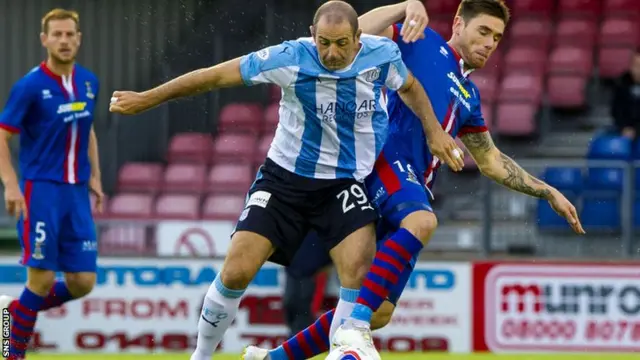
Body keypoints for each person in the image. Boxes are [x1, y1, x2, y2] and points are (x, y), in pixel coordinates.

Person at [109, 2, 462, 359]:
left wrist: (434, 132)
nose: (331, 52)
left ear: (359, 38)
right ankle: (201, 355)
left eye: (341, 43)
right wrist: (147, 98)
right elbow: (214, 75)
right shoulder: (290, 57)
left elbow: (411, 86)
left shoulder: (382, 54)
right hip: (284, 182)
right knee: (236, 272)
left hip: (342, 185)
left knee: (358, 271)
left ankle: (346, 346)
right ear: (312, 35)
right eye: (323, 42)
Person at [243, 1, 586, 359]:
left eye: (497, 37)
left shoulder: (470, 96)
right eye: (483, 31)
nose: (490, 43)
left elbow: (492, 162)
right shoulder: (421, 42)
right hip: (385, 161)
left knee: (380, 311)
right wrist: (405, 5)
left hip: (412, 186)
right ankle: (353, 330)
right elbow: (357, 30)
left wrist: (548, 193)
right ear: (458, 23)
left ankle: (273, 358)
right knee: (422, 222)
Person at [0, 8, 103, 360]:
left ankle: (13, 311)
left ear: (79, 38)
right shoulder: (29, 87)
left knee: (82, 282)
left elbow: (87, 130)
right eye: (56, 34)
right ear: (44, 39)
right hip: (40, 190)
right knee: (41, 280)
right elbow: (2, 136)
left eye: (69, 34)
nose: (64, 40)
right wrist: (10, 184)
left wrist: (96, 177)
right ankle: (12, 353)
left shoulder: (89, 82)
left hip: (76, 193)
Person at [610, 48, 640, 140]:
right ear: (630, 66)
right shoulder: (621, 83)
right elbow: (616, 110)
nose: (638, 70)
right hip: (625, 130)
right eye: (635, 66)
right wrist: (624, 128)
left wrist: (637, 130)